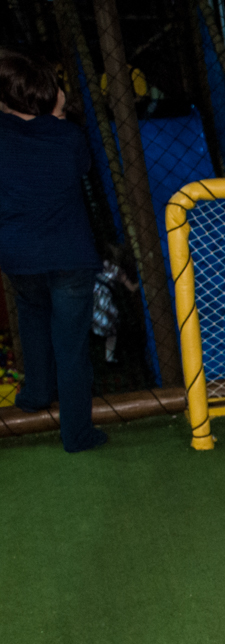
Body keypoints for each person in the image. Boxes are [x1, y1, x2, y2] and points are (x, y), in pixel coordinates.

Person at [0, 50, 106, 452]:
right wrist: (57, 115)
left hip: (19, 253)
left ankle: (36, 393)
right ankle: (77, 433)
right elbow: (79, 168)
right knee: (71, 344)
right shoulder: (69, 137)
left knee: (31, 314)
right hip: (70, 254)